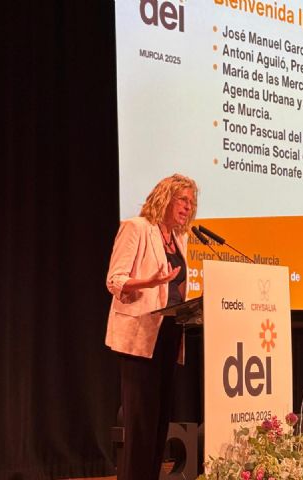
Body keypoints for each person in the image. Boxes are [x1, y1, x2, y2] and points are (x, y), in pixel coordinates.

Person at [105, 173, 198, 480]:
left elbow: (175, 288)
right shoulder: (136, 228)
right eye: (182, 199)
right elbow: (114, 281)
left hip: (170, 332)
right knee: (141, 423)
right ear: (165, 198)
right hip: (140, 335)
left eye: (191, 201)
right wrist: (149, 282)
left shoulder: (180, 238)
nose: (188, 206)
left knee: (159, 422)